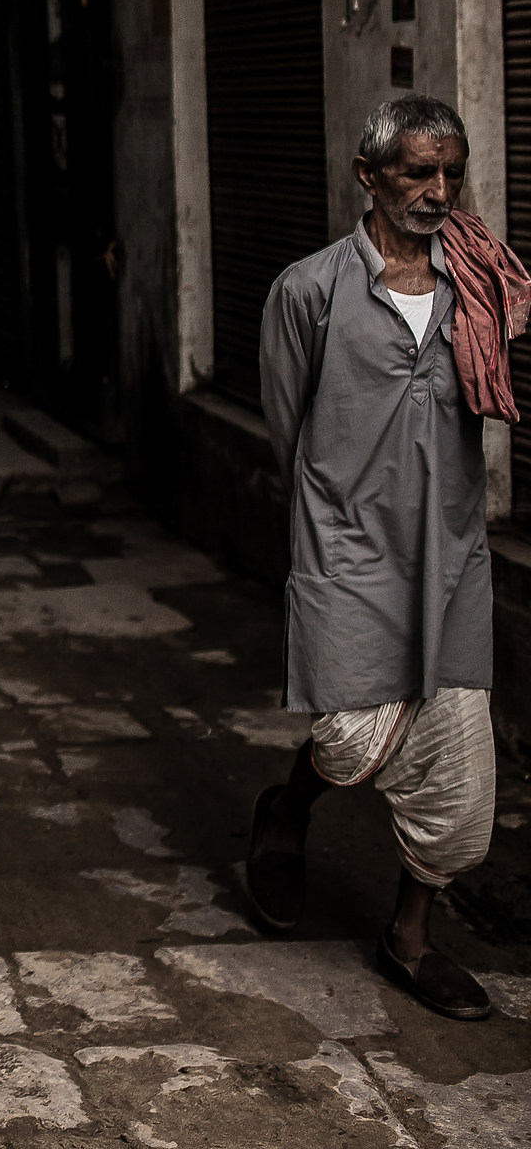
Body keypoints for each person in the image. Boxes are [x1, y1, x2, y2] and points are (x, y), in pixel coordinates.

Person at [247, 94, 530, 1021]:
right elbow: (289, 434)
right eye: (417, 171)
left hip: (449, 551)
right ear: (368, 176)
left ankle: (410, 933)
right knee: (348, 732)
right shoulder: (309, 290)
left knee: (454, 754)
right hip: (346, 550)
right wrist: (326, 529)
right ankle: (287, 810)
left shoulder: (473, 284)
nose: (438, 190)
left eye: (451, 172)